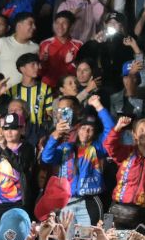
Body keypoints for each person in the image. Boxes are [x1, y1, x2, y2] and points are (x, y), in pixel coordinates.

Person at [40, 94, 115, 224]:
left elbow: (111, 131)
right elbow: (46, 158)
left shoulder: (97, 148)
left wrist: (99, 107)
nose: (86, 132)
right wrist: (55, 135)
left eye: (90, 129)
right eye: (83, 128)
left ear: (95, 132)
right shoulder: (66, 148)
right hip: (66, 201)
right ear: (78, 129)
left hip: (89, 201)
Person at [0, 12, 39, 85]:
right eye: (31, 23)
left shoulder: (36, 47)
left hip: (26, 94)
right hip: (4, 93)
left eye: (34, 24)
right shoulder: (2, 42)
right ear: (19, 25)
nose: (34, 27)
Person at [39, 11, 83, 88]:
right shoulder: (45, 44)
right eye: (57, 23)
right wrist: (43, 62)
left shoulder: (78, 45)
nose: (60, 26)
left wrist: (70, 63)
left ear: (71, 26)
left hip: (69, 88)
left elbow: (81, 72)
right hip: (48, 88)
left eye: (64, 23)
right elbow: (40, 72)